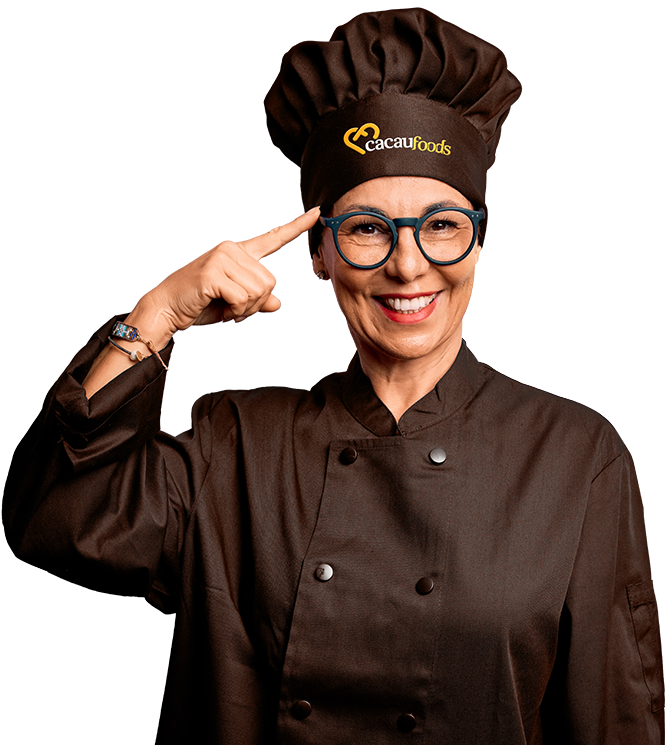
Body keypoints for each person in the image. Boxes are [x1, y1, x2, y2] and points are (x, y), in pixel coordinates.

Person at [4, 7, 662, 744]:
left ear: (479, 244)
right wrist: (157, 315)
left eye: (442, 225)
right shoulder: (235, 447)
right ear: (319, 253)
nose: (408, 265)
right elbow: (55, 517)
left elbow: (615, 717)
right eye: (367, 228)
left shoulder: (575, 457)